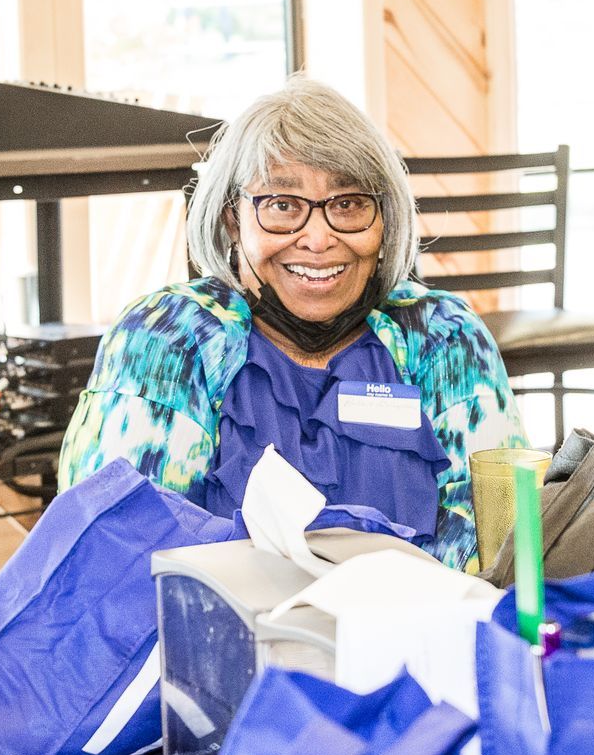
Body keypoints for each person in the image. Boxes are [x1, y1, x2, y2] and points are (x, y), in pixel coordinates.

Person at [57, 77, 526, 572]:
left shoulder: (442, 335)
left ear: (384, 221)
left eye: (347, 204)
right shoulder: (166, 337)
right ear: (232, 220)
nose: (319, 239)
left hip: (413, 634)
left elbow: (497, 543)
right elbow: (117, 549)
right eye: (282, 205)